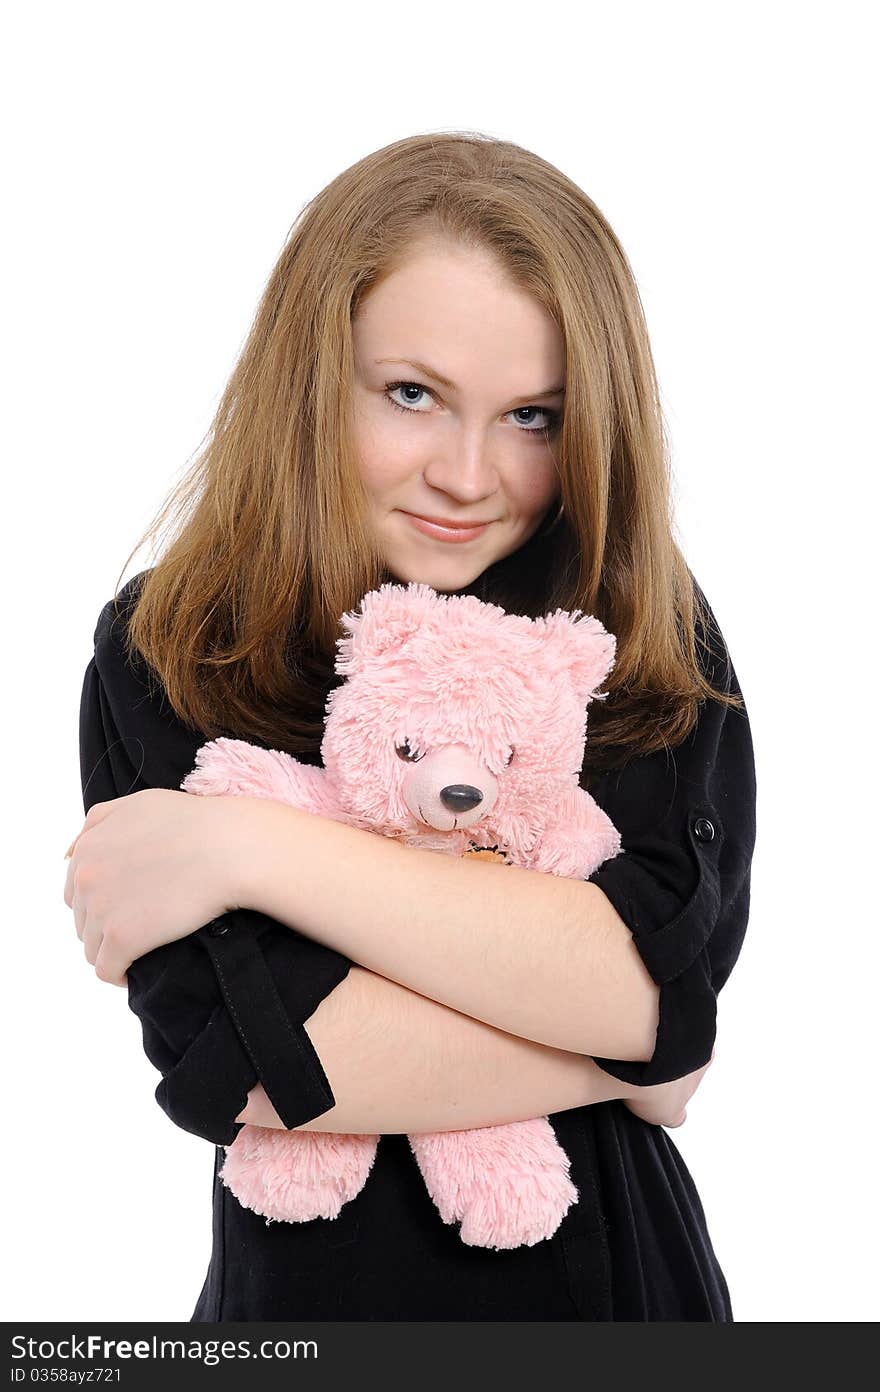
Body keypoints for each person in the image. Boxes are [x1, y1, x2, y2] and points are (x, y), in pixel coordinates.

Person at [67, 131, 757, 1321]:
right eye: (411, 394)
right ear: (309, 376)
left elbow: (650, 987)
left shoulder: (634, 623)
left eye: (533, 416)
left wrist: (252, 849)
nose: (468, 474)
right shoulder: (174, 643)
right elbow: (255, 1066)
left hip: (619, 1303)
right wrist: (629, 1049)